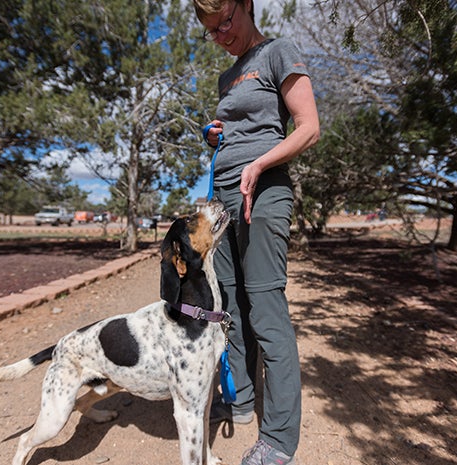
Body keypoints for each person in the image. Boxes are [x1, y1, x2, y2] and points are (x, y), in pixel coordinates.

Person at [192, 1, 320, 464]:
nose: (222, 34)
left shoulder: (278, 51)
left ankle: (280, 439)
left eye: (226, 21)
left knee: (265, 305)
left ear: (247, 5)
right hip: (224, 197)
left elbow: (309, 128)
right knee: (229, 304)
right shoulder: (227, 77)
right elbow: (243, 124)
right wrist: (217, 134)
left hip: (262, 191)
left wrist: (260, 162)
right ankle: (241, 399)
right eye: (212, 30)